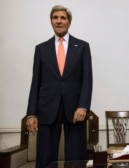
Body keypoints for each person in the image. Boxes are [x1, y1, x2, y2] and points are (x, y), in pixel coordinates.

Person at [25, 5, 93, 168]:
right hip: (47, 108)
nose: (59, 21)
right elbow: (36, 82)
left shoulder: (82, 47)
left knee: (76, 157)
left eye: (63, 18)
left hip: (75, 110)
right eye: (55, 17)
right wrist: (31, 113)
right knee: (45, 158)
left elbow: (87, 80)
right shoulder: (41, 49)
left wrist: (83, 106)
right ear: (51, 21)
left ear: (69, 22)